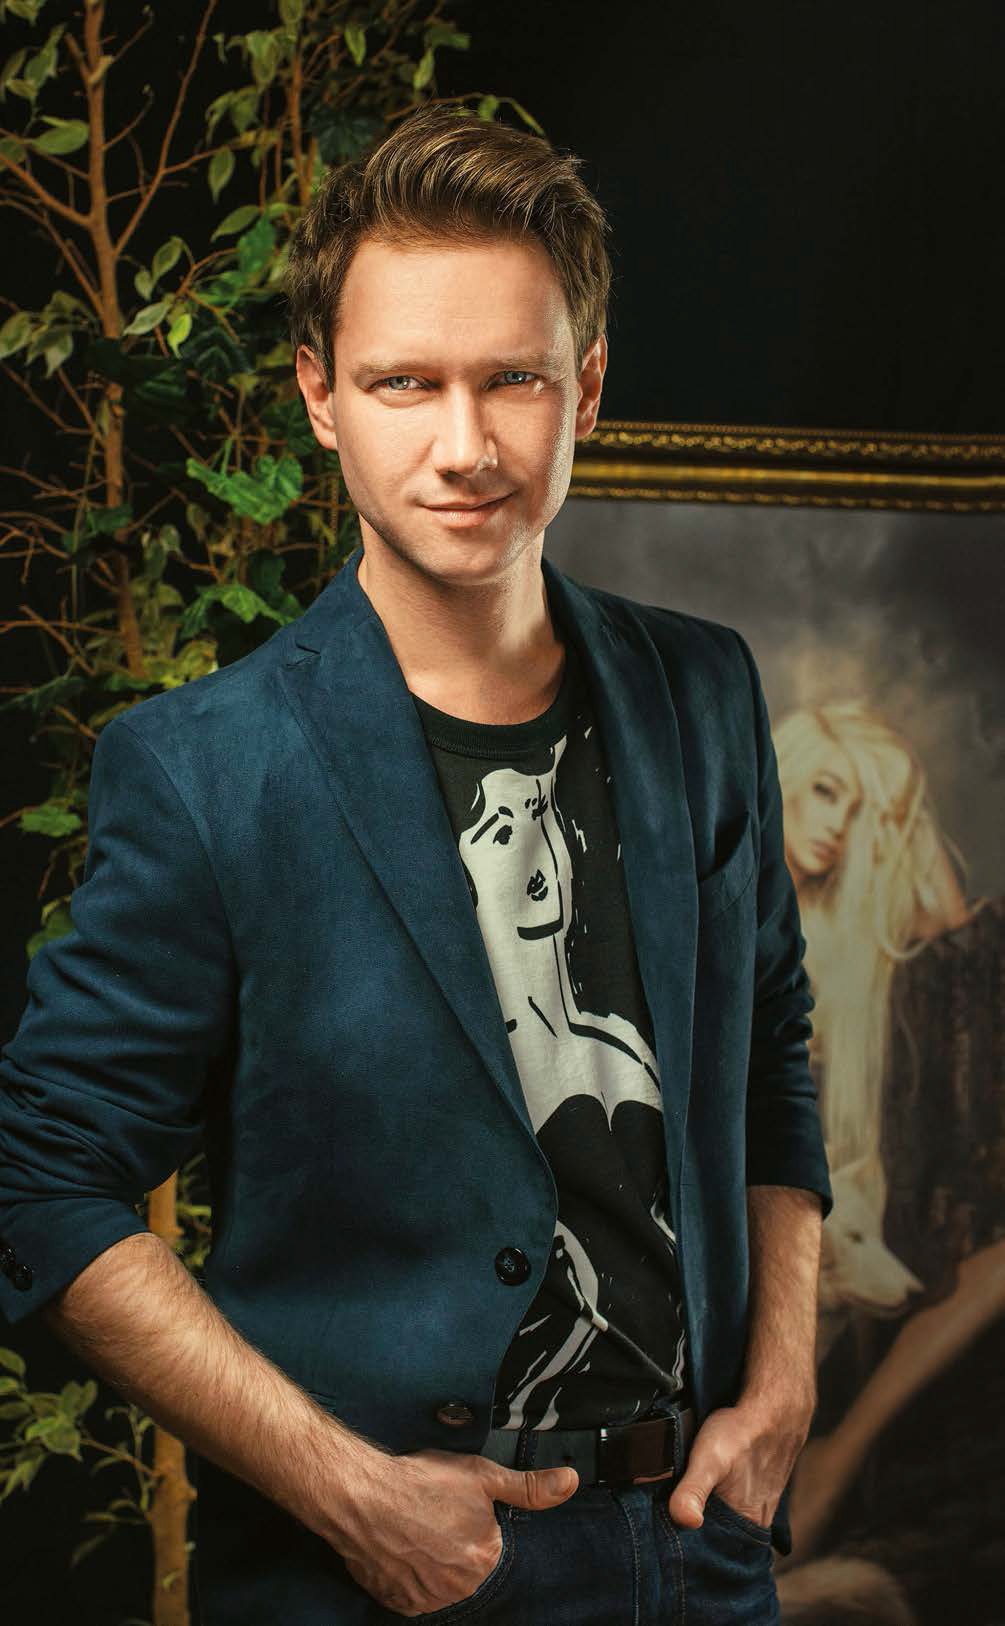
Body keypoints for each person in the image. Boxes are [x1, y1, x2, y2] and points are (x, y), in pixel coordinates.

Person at [0, 104, 832, 1625]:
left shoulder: (702, 689)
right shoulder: (203, 768)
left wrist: (782, 1383)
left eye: (512, 378)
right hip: (387, 1574)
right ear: (321, 396)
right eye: (404, 383)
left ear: (585, 385)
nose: (465, 447)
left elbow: (771, 1046)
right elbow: (43, 1177)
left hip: (702, 1544)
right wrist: (347, 1493)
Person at [769, 699, 1002, 1566]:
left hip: (850, 1222)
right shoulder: (707, 911)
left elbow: (955, 939)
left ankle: (838, 1473)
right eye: (826, 791)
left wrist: (899, 801)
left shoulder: (857, 949)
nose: (838, 824)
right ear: (785, 777)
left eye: (863, 810)